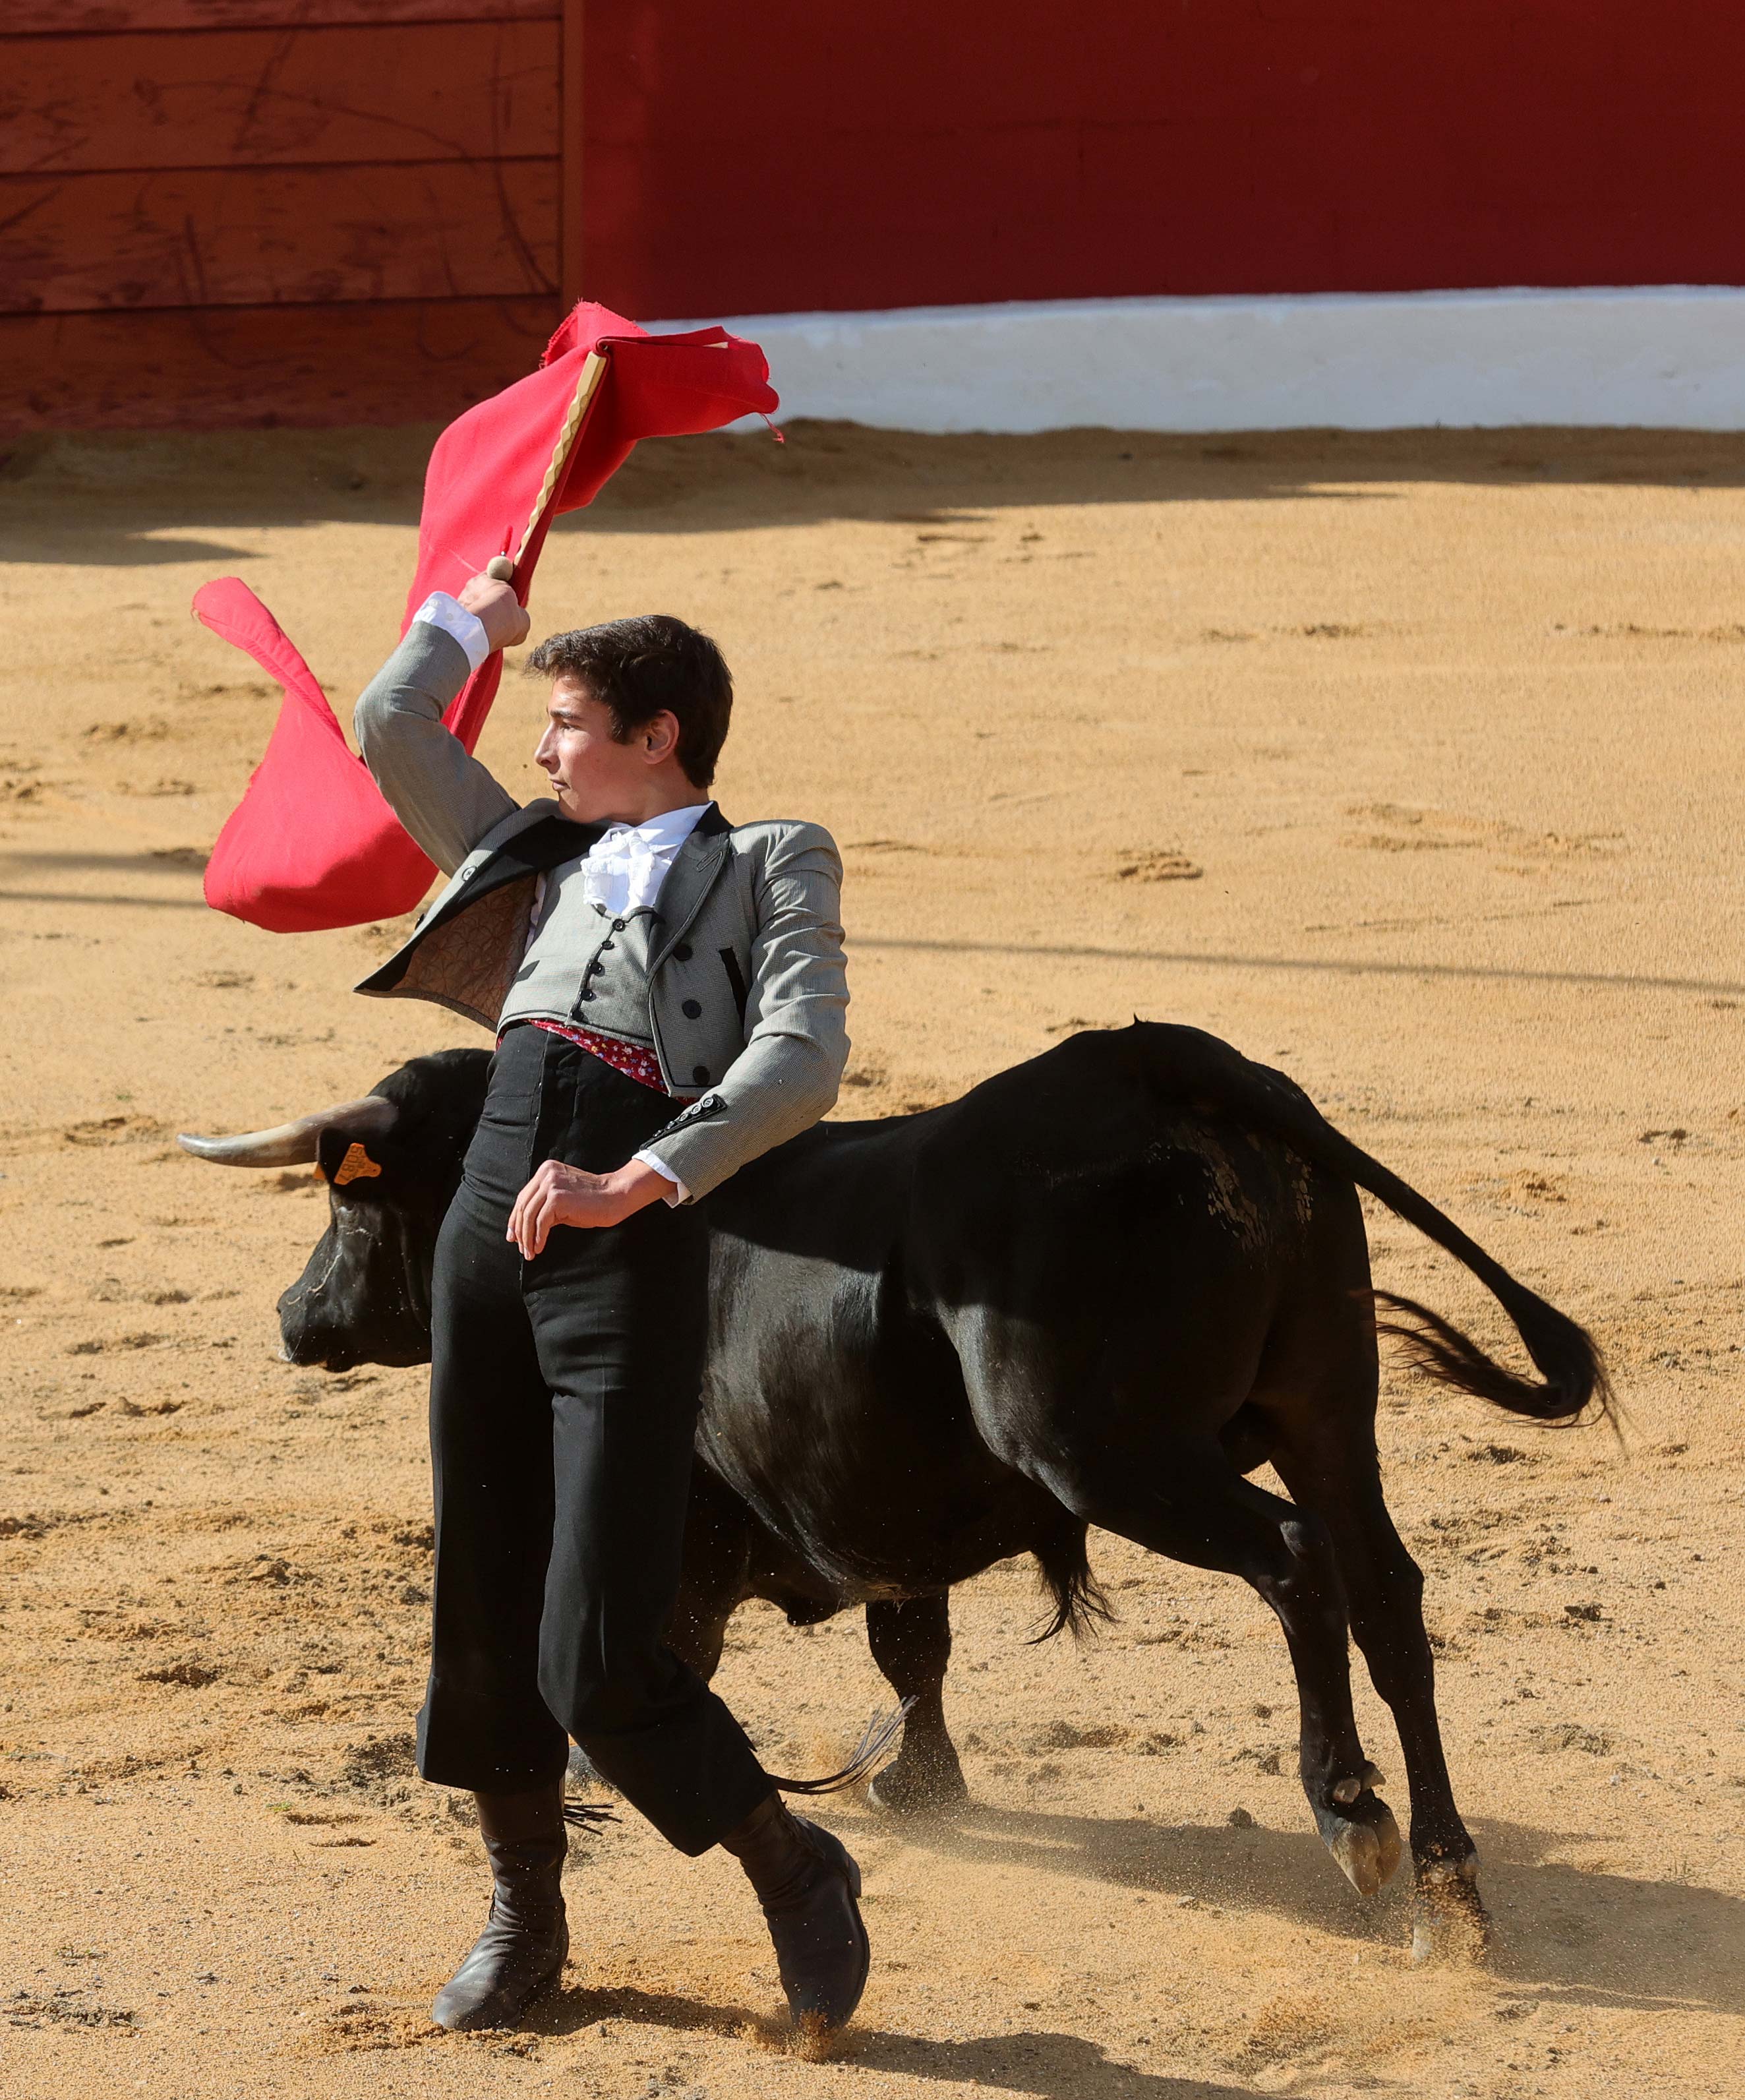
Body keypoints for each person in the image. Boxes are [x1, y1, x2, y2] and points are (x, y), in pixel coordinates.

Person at [349, 571, 864, 2034]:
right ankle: (525, 1915)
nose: (542, 751)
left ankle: (787, 1862)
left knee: (596, 1644)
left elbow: (806, 1054)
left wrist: (644, 1175)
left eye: (566, 724)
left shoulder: (772, 857)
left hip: (627, 1253)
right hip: (481, 1237)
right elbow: (392, 722)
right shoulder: (528, 851)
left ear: (656, 733)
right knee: (481, 1601)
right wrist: (473, 618)